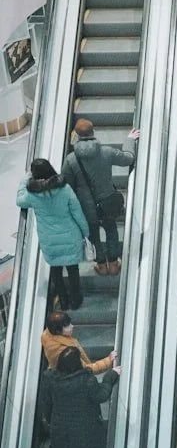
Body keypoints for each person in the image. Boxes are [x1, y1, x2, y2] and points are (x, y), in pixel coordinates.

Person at [61, 119, 137, 276]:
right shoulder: (106, 152)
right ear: (93, 132)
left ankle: (101, 265)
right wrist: (129, 140)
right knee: (111, 230)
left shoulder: (71, 159)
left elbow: (67, 185)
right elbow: (128, 158)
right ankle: (114, 264)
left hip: (85, 206)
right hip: (107, 201)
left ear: (76, 135)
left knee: (93, 233)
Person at [41, 347, 120, 448]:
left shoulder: (51, 381)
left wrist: (52, 421)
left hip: (61, 432)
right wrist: (110, 376)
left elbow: (47, 404)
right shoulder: (86, 381)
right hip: (86, 431)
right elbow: (101, 395)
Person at [16, 159, 89, 310]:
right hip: (70, 235)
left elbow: (19, 201)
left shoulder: (32, 194)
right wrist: (85, 232)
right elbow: (77, 212)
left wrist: (25, 180)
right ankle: (76, 300)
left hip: (49, 239)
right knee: (73, 269)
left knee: (56, 271)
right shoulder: (65, 189)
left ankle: (63, 300)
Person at [42, 312, 116, 375]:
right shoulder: (65, 352)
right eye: (67, 326)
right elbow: (85, 370)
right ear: (58, 331)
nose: (72, 326)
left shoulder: (49, 335)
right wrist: (108, 361)